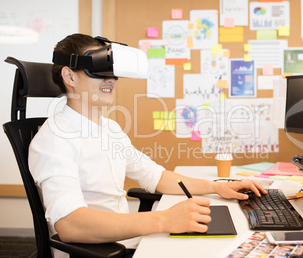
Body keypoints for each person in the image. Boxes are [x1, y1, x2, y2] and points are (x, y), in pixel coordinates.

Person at [28, 33, 267, 257]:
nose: (110, 79)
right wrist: (164, 220)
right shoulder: (54, 140)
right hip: (96, 251)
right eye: (99, 71)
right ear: (69, 77)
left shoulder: (110, 129)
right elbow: (70, 224)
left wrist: (217, 187)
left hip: (125, 240)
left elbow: (156, 177)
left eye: (112, 71)